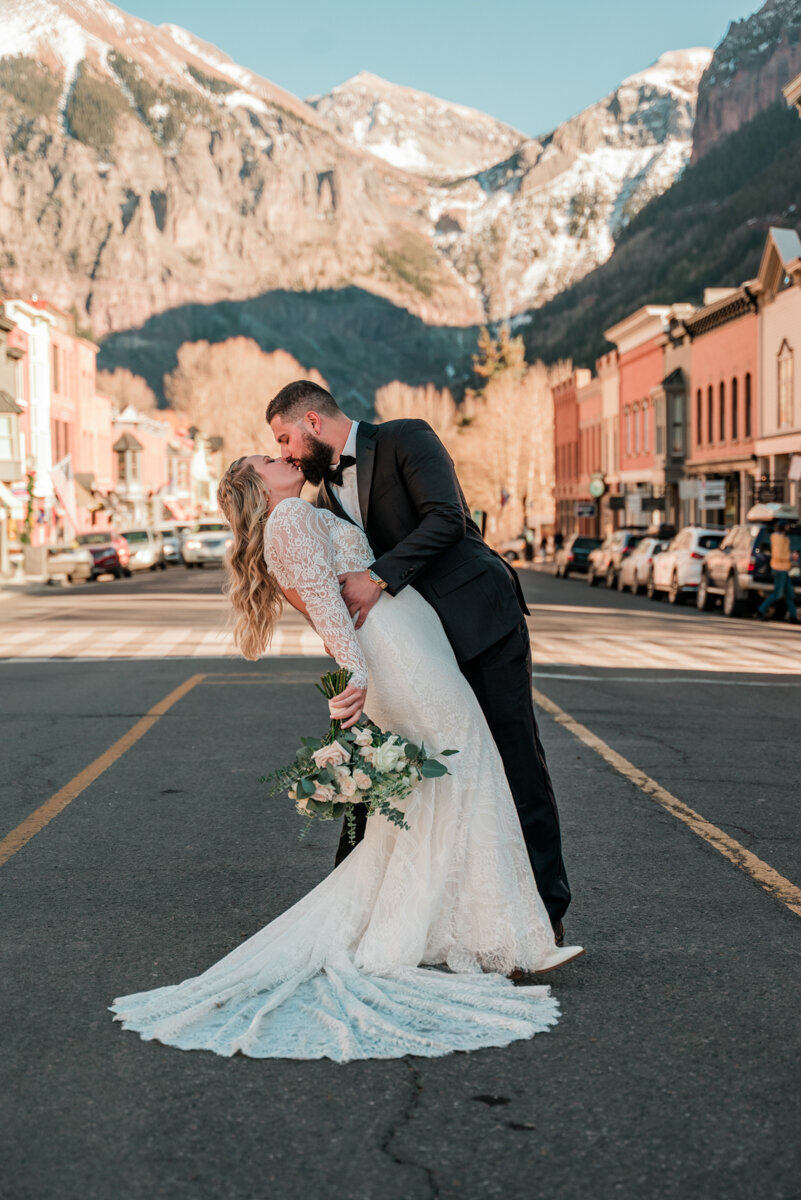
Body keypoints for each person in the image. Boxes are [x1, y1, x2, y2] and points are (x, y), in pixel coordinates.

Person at [110, 451, 583, 1063]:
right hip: (398, 653)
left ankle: (470, 931)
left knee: (448, 783)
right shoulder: (288, 522)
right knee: (465, 770)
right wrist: (356, 674)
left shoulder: (297, 516)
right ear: (256, 485)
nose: (282, 455)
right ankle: (493, 936)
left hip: (408, 644)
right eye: (268, 456)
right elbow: (328, 610)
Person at [267, 381, 571, 944]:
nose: (285, 453)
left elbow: (446, 519)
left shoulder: (407, 438)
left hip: (481, 623)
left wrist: (376, 577)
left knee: (512, 758)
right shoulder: (318, 500)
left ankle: (544, 912)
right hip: (410, 650)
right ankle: (363, 912)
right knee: (393, 770)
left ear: (312, 421)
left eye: (285, 438)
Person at [756, 520, 800, 624]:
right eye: (787, 525)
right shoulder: (777, 538)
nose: (788, 527)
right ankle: (760, 610)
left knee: (790, 594)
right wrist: (791, 556)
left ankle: (793, 616)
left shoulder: (784, 538)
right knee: (777, 594)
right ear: (782, 527)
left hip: (784, 569)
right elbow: (778, 555)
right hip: (779, 569)